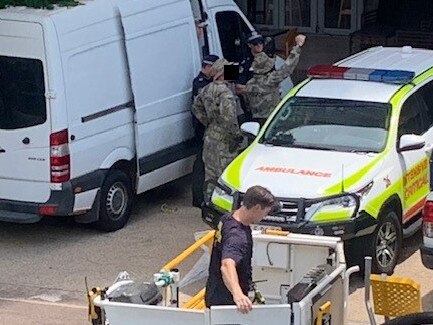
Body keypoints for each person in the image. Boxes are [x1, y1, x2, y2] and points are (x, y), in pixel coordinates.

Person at [205, 185, 277, 313]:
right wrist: (238, 295)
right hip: (227, 304)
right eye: (265, 212)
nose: (264, 217)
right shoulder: (237, 236)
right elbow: (227, 265)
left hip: (214, 293)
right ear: (257, 208)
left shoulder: (228, 218)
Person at [191, 58, 244, 200]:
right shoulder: (225, 93)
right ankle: (223, 205)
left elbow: (196, 107)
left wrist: (208, 122)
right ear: (221, 72)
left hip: (209, 137)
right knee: (225, 175)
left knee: (210, 175)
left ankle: (209, 202)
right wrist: (237, 136)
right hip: (224, 141)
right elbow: (229, 118)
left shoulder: (206, 89)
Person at [242, 34, 306, 126]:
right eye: (255, 44)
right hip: (267, 118)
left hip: (255, 117)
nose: (259, 45)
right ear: (249, 45)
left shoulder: (250, 81)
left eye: (261, 43)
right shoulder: (244, 63)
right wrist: (297, 47)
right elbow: (287, 67)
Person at [191, 54, 219, 208]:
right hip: (203, 128)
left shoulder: (212, 80)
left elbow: (235, 81)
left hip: (209, 127)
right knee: (202, 163)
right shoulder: (200, 83)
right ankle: (198, 198)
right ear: (208, 67)